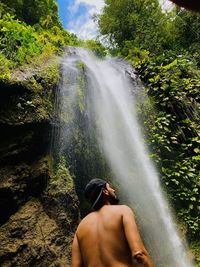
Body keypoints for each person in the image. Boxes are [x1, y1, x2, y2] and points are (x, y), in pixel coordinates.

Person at [71, 178, 154, 267]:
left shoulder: (80, 227)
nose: (113, 190)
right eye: (110, 187)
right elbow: (139, 254)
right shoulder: (123, 211)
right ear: (105, 191)